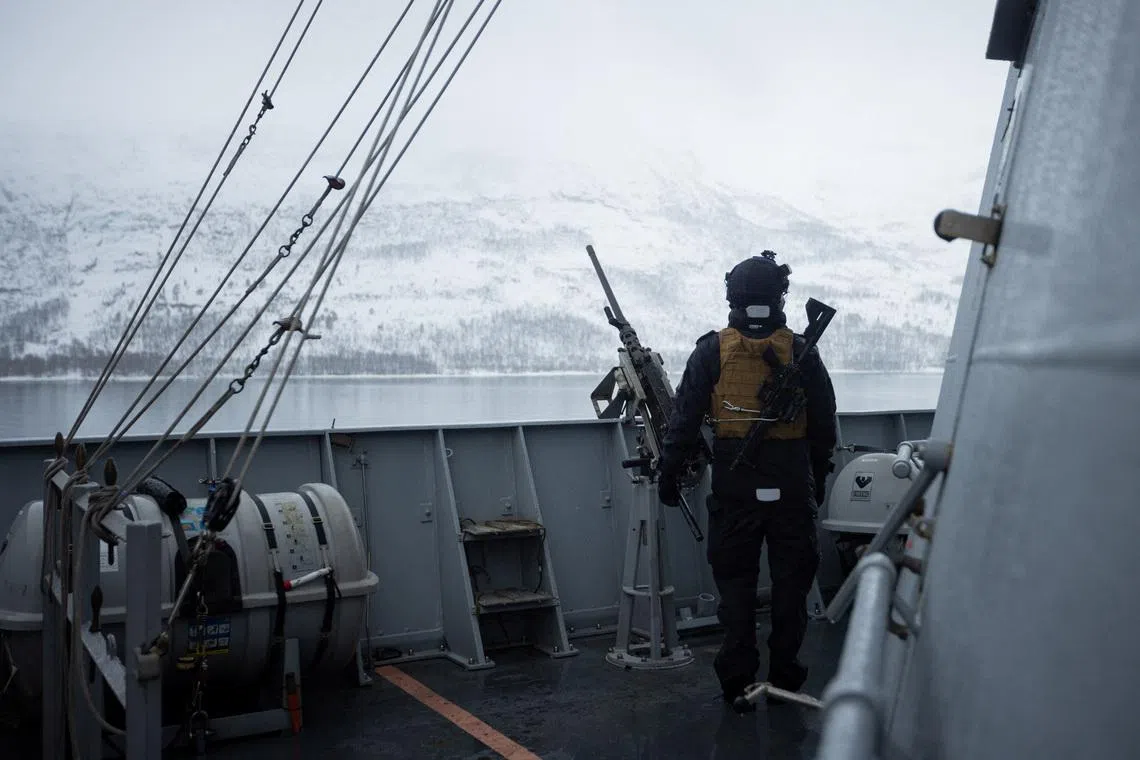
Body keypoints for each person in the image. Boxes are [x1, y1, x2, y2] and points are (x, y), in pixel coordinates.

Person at [656, 250, 837, 710]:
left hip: (735, 486)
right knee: (791, 589)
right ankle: (785, 681)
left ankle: (737, 684)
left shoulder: (711, 351)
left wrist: (670, 473)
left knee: (735, 590)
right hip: (792, 485)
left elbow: (683, 420)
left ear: (732, 296)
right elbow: (824, 425)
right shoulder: (801, 350)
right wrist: (814, 478)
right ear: (779, 297)